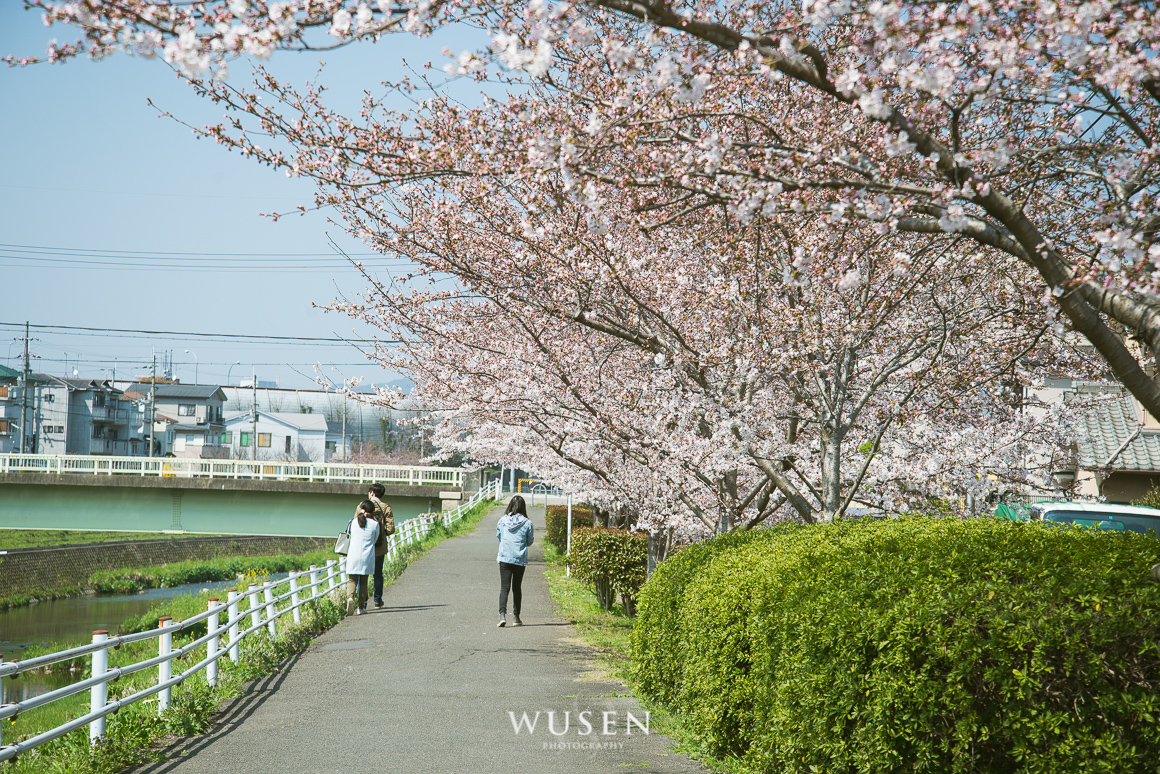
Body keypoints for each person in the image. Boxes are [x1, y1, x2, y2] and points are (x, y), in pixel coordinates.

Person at [496, 495, 534, 627]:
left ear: (510, 506)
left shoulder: (502, 520)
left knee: (504, 588)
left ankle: (502, 615)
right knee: (516, 588)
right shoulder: (527, 523)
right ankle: (516, 618)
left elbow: (499, 536)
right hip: (519, 559)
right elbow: (529, 541)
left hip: (504, 557)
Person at [345, 499, 380, 616]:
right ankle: (361, 607)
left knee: (352, 580)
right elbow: (375, 539)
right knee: (363, 582)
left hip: (353, 555)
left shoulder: (353, 522)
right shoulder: (375, 524)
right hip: (367, 557)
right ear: (372, 511)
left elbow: (349, 535)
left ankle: (350, 598)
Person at [367, 483, 395, 608]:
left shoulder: (362, 506)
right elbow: (391, 529)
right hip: (379, 545)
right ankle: (377, 600)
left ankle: (362, 602)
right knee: (378, 573)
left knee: (362, 574)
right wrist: (381, 534)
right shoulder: (386, 507)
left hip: (364, 546)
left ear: (372, 493)